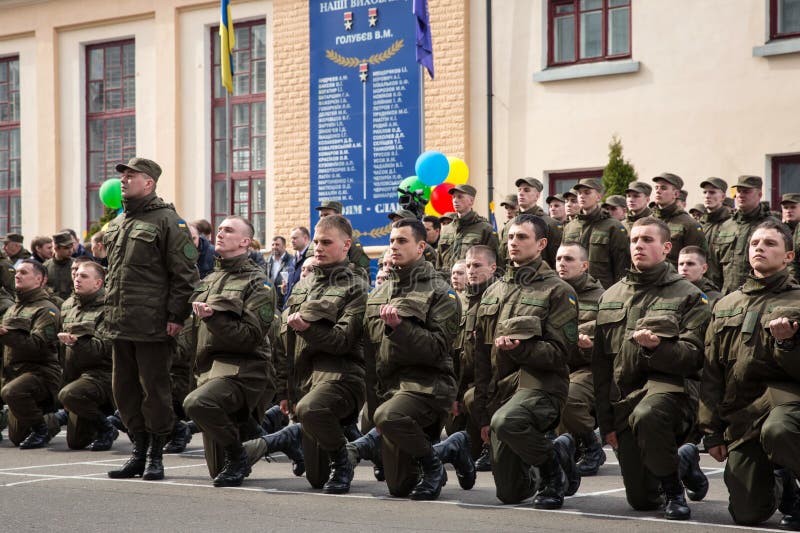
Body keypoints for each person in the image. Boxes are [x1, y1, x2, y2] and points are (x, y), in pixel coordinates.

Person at [593, 217, 710, 520]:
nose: (639, 246)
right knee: (642, 500)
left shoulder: (688, 295)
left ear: (666, 247)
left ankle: (674, 491)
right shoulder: (611, 296)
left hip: (671, 390)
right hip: (625, 395)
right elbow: (602, 366)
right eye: (634, 240)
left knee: (648, 414)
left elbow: (694, 357)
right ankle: (682, 461)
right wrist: (607, 423)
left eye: (647, 240)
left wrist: (658, 349)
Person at [473, 214, 580, 508]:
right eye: (510, 237)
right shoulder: (493, 291)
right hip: (503, 390)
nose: (513, 243)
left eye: (522, 237)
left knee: (507, 421)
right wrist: (483, 412)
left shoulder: (558, 291)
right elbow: (482, 357)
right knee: (511, 493)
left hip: (541, 385)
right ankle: (554, 450)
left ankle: (551, 471)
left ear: (541, 244)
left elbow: (561, 354)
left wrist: (520, 349)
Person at [699, 219, 800, 529]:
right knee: (747, 514)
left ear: (788, 256)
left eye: (770, 244)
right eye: (755, 243)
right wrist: (712, 431)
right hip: (743, 414)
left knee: (779, 431)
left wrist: (787, 344)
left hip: (787, 406)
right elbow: (712, 371)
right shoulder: (727, 304)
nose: (760, 248)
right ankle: (782, 483)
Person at [104, 157, 198, 481]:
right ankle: (138, 451)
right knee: (123, 392)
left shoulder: (168, 221)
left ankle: (156, 455)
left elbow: (185, 274)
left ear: (149, 183)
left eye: (132, 176)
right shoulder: (117, 224)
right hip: (120, 324)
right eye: (123, 176)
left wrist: (176, 316)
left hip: (153, 325)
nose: (124, 181)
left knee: (155, 392)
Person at [365, 218, 461, 500]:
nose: (394, 246)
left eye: (402, 241)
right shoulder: (379, 293)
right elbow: (370, 352)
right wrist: (374, 404)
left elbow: (438, 348)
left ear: (421, 247)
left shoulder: (441, 292)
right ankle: (449, 449)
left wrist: (401, 328)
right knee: (399, 487)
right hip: (390, 389)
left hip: (427, 386)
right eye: (392, 241)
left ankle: (433, 466)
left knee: (389, 415)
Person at [182, 216, 276, 487]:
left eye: (229, 230)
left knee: (197, 403)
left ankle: (239, 456)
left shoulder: (259, 284)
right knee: (215, 471)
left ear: (245, 241)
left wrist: (215, 318)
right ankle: (261, 434)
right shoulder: (209, 280)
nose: (220, 234)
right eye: (219, 229)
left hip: (242, 372)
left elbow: (250, 338)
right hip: (208, 372)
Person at [282, 214, 370, 493]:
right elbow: (285, 342)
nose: (318, 247)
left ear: (346, 246)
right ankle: (367, 449)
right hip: (305, 379)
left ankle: (343, 460)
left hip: (341, 377)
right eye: (316, 242)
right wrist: (285, 390)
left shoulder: (356, 287)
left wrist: (308, 328)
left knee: (311, 409)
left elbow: (343, 341)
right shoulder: (303, 285)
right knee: (316, 479)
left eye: (326, 242)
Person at [554, 242, 607, 476]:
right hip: (556, 364)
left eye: (568, 259)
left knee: (568, 397)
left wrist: (589, 344)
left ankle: (591, 446)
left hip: (588, 367)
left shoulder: (602, 298)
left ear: (584, 265)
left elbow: (607, 340)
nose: (561, 264)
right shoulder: (551, 292)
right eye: (558, 259)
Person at [56, 261, 117, 451]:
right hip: (77, 376)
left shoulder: (109, 308)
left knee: (69, 394)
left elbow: (106, 348)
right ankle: (102, 420)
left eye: (83, 276)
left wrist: (78, 342)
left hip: (102, 375)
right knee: (76, 443)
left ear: (98, 283)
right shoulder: (69, 307)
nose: (77, 279)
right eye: (76, 275)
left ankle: (108, 427)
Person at [0, 260, 61, 448]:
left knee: (11, 392)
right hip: (14, 373)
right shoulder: (13, 307)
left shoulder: (46, 310)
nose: (17, 275)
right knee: (17, 437)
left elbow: (38, 345)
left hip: (40, 374)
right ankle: (44, 418)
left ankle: (43, 427)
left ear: (39, 280)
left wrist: (6, 335)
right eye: (17, 272)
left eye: (24, 272)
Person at [458, 245, 498, 470]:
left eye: (477, 265)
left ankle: (491, 444)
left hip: (493, 378)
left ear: (492, 268)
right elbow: (458, 353)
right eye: (469, 266)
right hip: (469, 377)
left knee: (473, 398)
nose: (471, 270)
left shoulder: (497, 297)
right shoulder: (463, 300)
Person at [714, 176, 783, 294]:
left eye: (746, 191)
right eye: (738, 191)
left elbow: (783, 263)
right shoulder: (726, 225)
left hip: (762, 294)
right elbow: (714, 265)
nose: (740, 195)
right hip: (728, 296)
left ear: (760, 195)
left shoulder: (772, 225)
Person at [563, 178, 630, 289]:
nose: (582, 196)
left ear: (598, 196)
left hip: (602, 291)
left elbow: (621, 267)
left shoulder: (613, 226)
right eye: (579, 193)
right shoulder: (570, 227)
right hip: (573, 289)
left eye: (587, 192)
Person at [438, 184, 499, 274]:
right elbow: (439, 262)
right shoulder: (446, 229)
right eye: (454, 197)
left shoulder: (485, 229)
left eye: (460, 197)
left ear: (471, 201)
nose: (455, 200)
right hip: (446, 283)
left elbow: (494, 261)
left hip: (472, 282)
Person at [651, 173, 706, 268]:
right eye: (656, 188)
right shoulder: (648, 221)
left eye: (663, 188)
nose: (658, 191)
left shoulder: (690, 224)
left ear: (676, 194)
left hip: (673, 279)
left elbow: (695, 263)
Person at [511, 177, 563, 269]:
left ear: (537, 195)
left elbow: (557, 261)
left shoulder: (550, 224)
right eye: (519, 190)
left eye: (527, 190)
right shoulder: (510, 224)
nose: (521, 193)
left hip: (541, 280)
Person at [315, 201, 371, 278]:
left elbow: (363, 271)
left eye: (327, 215)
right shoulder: (316, 242)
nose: (323, 218)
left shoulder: (353, 242)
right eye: (321, 215)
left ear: (339, 216)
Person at [699, 177, 731, 289]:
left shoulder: (731, 224)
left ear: (722, 197)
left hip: (723, 286)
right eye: (705, 192)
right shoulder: (699, 225)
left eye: (712, 192)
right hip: (701, 284)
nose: (707, 196)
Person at [44, 231, 75, 301]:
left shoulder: (77, 265)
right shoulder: (45, 267)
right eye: (66, 248)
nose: (70, 251)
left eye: (71, 247)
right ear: (56, 248)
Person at [284, 226, 311, 299]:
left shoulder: (312, 258)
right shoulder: (292, 259)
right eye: (291, 238)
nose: (292, 241)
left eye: (295, 238)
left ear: (305, 238)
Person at [267, 235, 293, 309]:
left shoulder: (291, 261)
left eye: (277, 244)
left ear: (284, 246)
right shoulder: (268, 261)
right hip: (270, 301)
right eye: (273, 244)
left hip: (284, 302)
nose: (274, 247)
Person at [780, 193, 800, 280]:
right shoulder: (777, 230)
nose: (788, 211)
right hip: (780, 281)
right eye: (785, 208)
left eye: (793, 207)